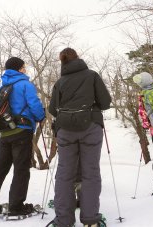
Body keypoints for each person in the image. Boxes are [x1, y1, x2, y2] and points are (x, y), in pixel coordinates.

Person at [47, 48, 111, 227]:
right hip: (90, 126)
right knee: (90, 172)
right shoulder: (91, 76)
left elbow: (53, 109)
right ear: (78, 58)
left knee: (65, 174)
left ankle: (63, 221)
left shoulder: (60, 82)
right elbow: (105, 102)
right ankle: (91, 220)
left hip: (65, 129)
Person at [0, 57, 45, 216]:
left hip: (6, 132)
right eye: (23, 67)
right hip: (22, 131)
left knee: (0, 169)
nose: (25, 69)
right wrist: (40, 116)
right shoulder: (25, 84)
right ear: (19, 69)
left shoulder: (4, 85)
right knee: (21, 169)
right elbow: (35, 105)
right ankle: (16, 207)